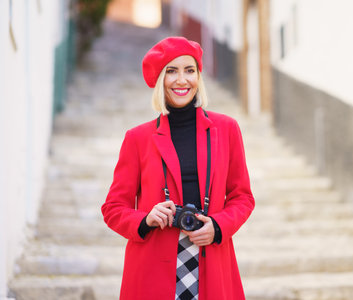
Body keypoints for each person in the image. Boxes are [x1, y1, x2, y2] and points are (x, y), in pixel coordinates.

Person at [101, 36, 255, 300]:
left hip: (212, 258)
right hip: (152, 266)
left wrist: (217, 226)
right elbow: (113, 208)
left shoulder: (227, 129)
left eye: (189, 70)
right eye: (172, 71)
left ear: (198, 76)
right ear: (160, 79)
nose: (182, 80)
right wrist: (145, 218)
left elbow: (242, 197)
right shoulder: (137, 139)